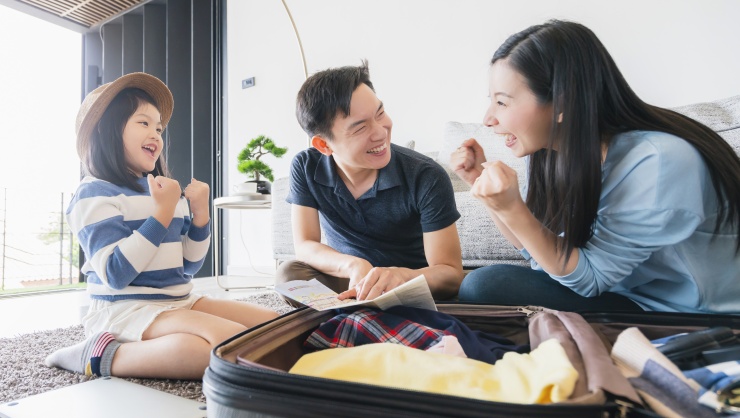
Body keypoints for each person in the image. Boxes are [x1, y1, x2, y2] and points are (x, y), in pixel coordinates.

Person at [451, 20, 740, 314]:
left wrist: (513, 208)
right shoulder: (552, 154)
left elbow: (590, 279)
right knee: (486, 285)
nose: (488, 119)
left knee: (485, 285)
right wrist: (483, 188)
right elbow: (542, 257)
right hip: (625, 297)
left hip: (688, 313)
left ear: (562, 103)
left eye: (502, 102)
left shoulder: (660, 162)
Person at [45, 72, 278, 380]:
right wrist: (162, 214)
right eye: (143, 123)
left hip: (179, 301)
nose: (155, 134)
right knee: (227, 345)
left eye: (158, 127)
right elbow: (115, 273)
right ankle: (96, 354)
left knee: (274, 326)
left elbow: (189, 266)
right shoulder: (93, 194)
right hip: (125, 309)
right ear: (106, 131)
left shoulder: (164, 191)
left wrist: (200, 215)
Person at [275, 61, 464, 303]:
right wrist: (352, 265)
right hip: (352, 278)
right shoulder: (306, 166)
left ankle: (364, 309)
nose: (381, 132)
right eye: (360, 128)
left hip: (409, 283)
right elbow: (305, 244)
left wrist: (399, 276)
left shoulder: (425, 175)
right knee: (289, 276)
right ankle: (357, 305)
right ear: (324, 144)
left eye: (380, 114)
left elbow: (450, 274)